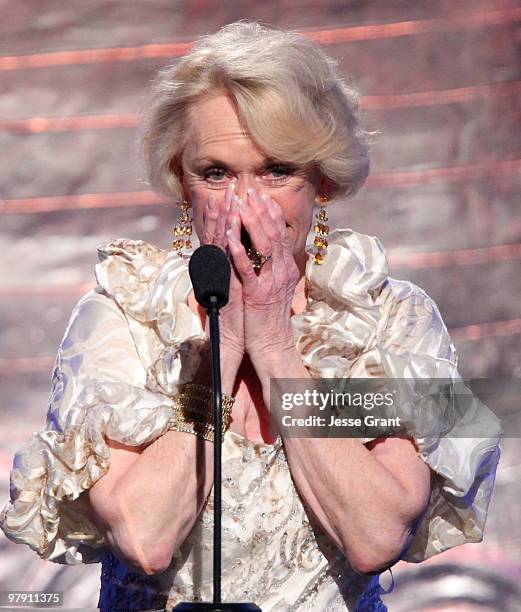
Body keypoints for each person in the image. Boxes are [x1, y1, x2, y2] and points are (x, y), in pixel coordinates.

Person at [0, 21, 501, 611]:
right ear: (182, 186)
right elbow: (144, 539)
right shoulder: (123, 320)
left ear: (322, 182)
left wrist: (274, 348)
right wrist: (221, 352)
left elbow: (373, 537)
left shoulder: (388, 322)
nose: (245, 204)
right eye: (216, 173)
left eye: (276, 171)